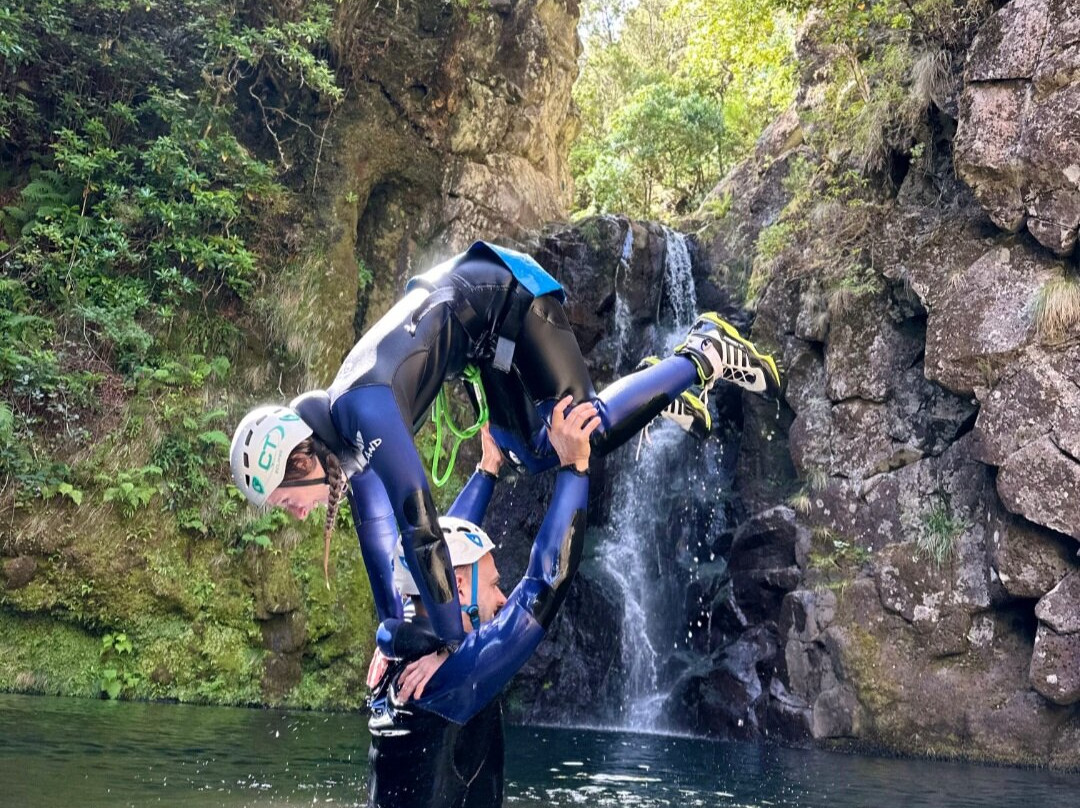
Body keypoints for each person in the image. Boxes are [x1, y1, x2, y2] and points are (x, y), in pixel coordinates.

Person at [229, 240, 780, 648]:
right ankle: (654, 391)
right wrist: (393, 642)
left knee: (582, 433)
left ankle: (702, 352)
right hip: (484, 337)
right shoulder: (344, 445)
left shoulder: (359, 408)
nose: (296, 515)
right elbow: (379, 547)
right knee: (529, 453)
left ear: (300, 458)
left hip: (507, 297)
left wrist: (449, 645)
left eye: (284, 500)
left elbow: (418, 524)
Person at [365, 396, 598, 808]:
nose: (501, 596)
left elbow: (435, 559)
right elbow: (545, 583)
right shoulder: (454, 676)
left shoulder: (400, 657)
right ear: (455, 585)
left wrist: (487, 471)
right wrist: (575, 468)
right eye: (493, 584)